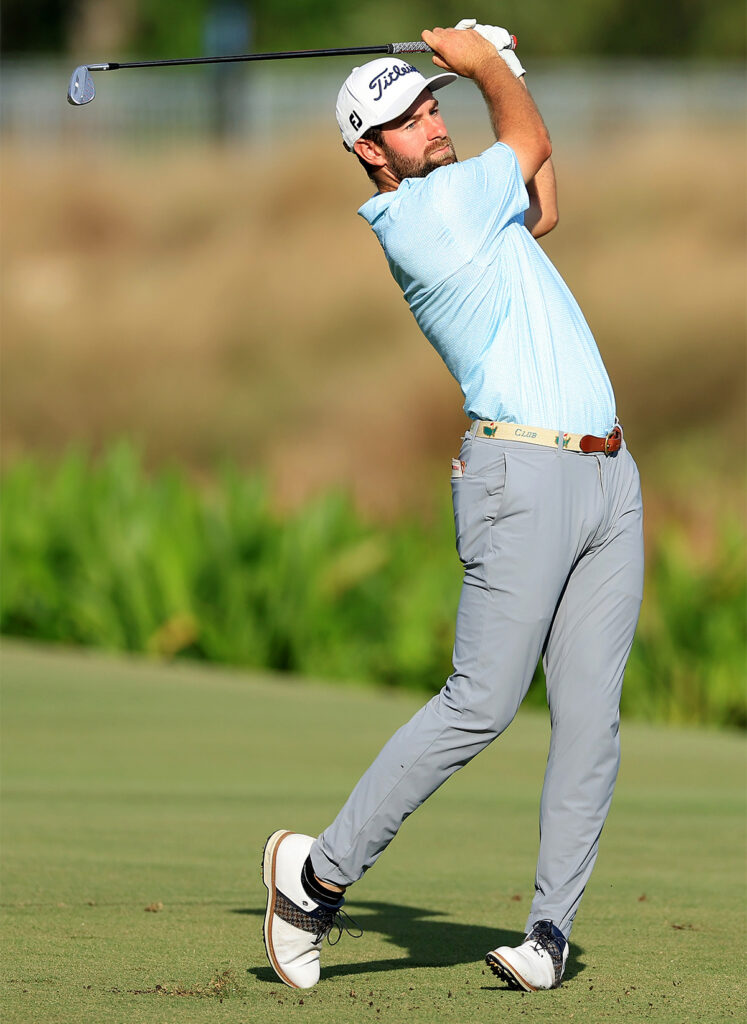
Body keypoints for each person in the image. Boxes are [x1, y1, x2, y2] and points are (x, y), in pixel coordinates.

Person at [262, 22, 644, 994]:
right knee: (481, 702)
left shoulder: (475, 203)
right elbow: (529, 142)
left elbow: (544, 200)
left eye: (432, 102)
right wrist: (484, 66)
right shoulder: (426, 217)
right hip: (521, 475)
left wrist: (498, 73)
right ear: (369, 150)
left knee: (591, 722)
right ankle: (316, 876)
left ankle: (548, 932)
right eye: (406, 118)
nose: (430, 121)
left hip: (607, 476)